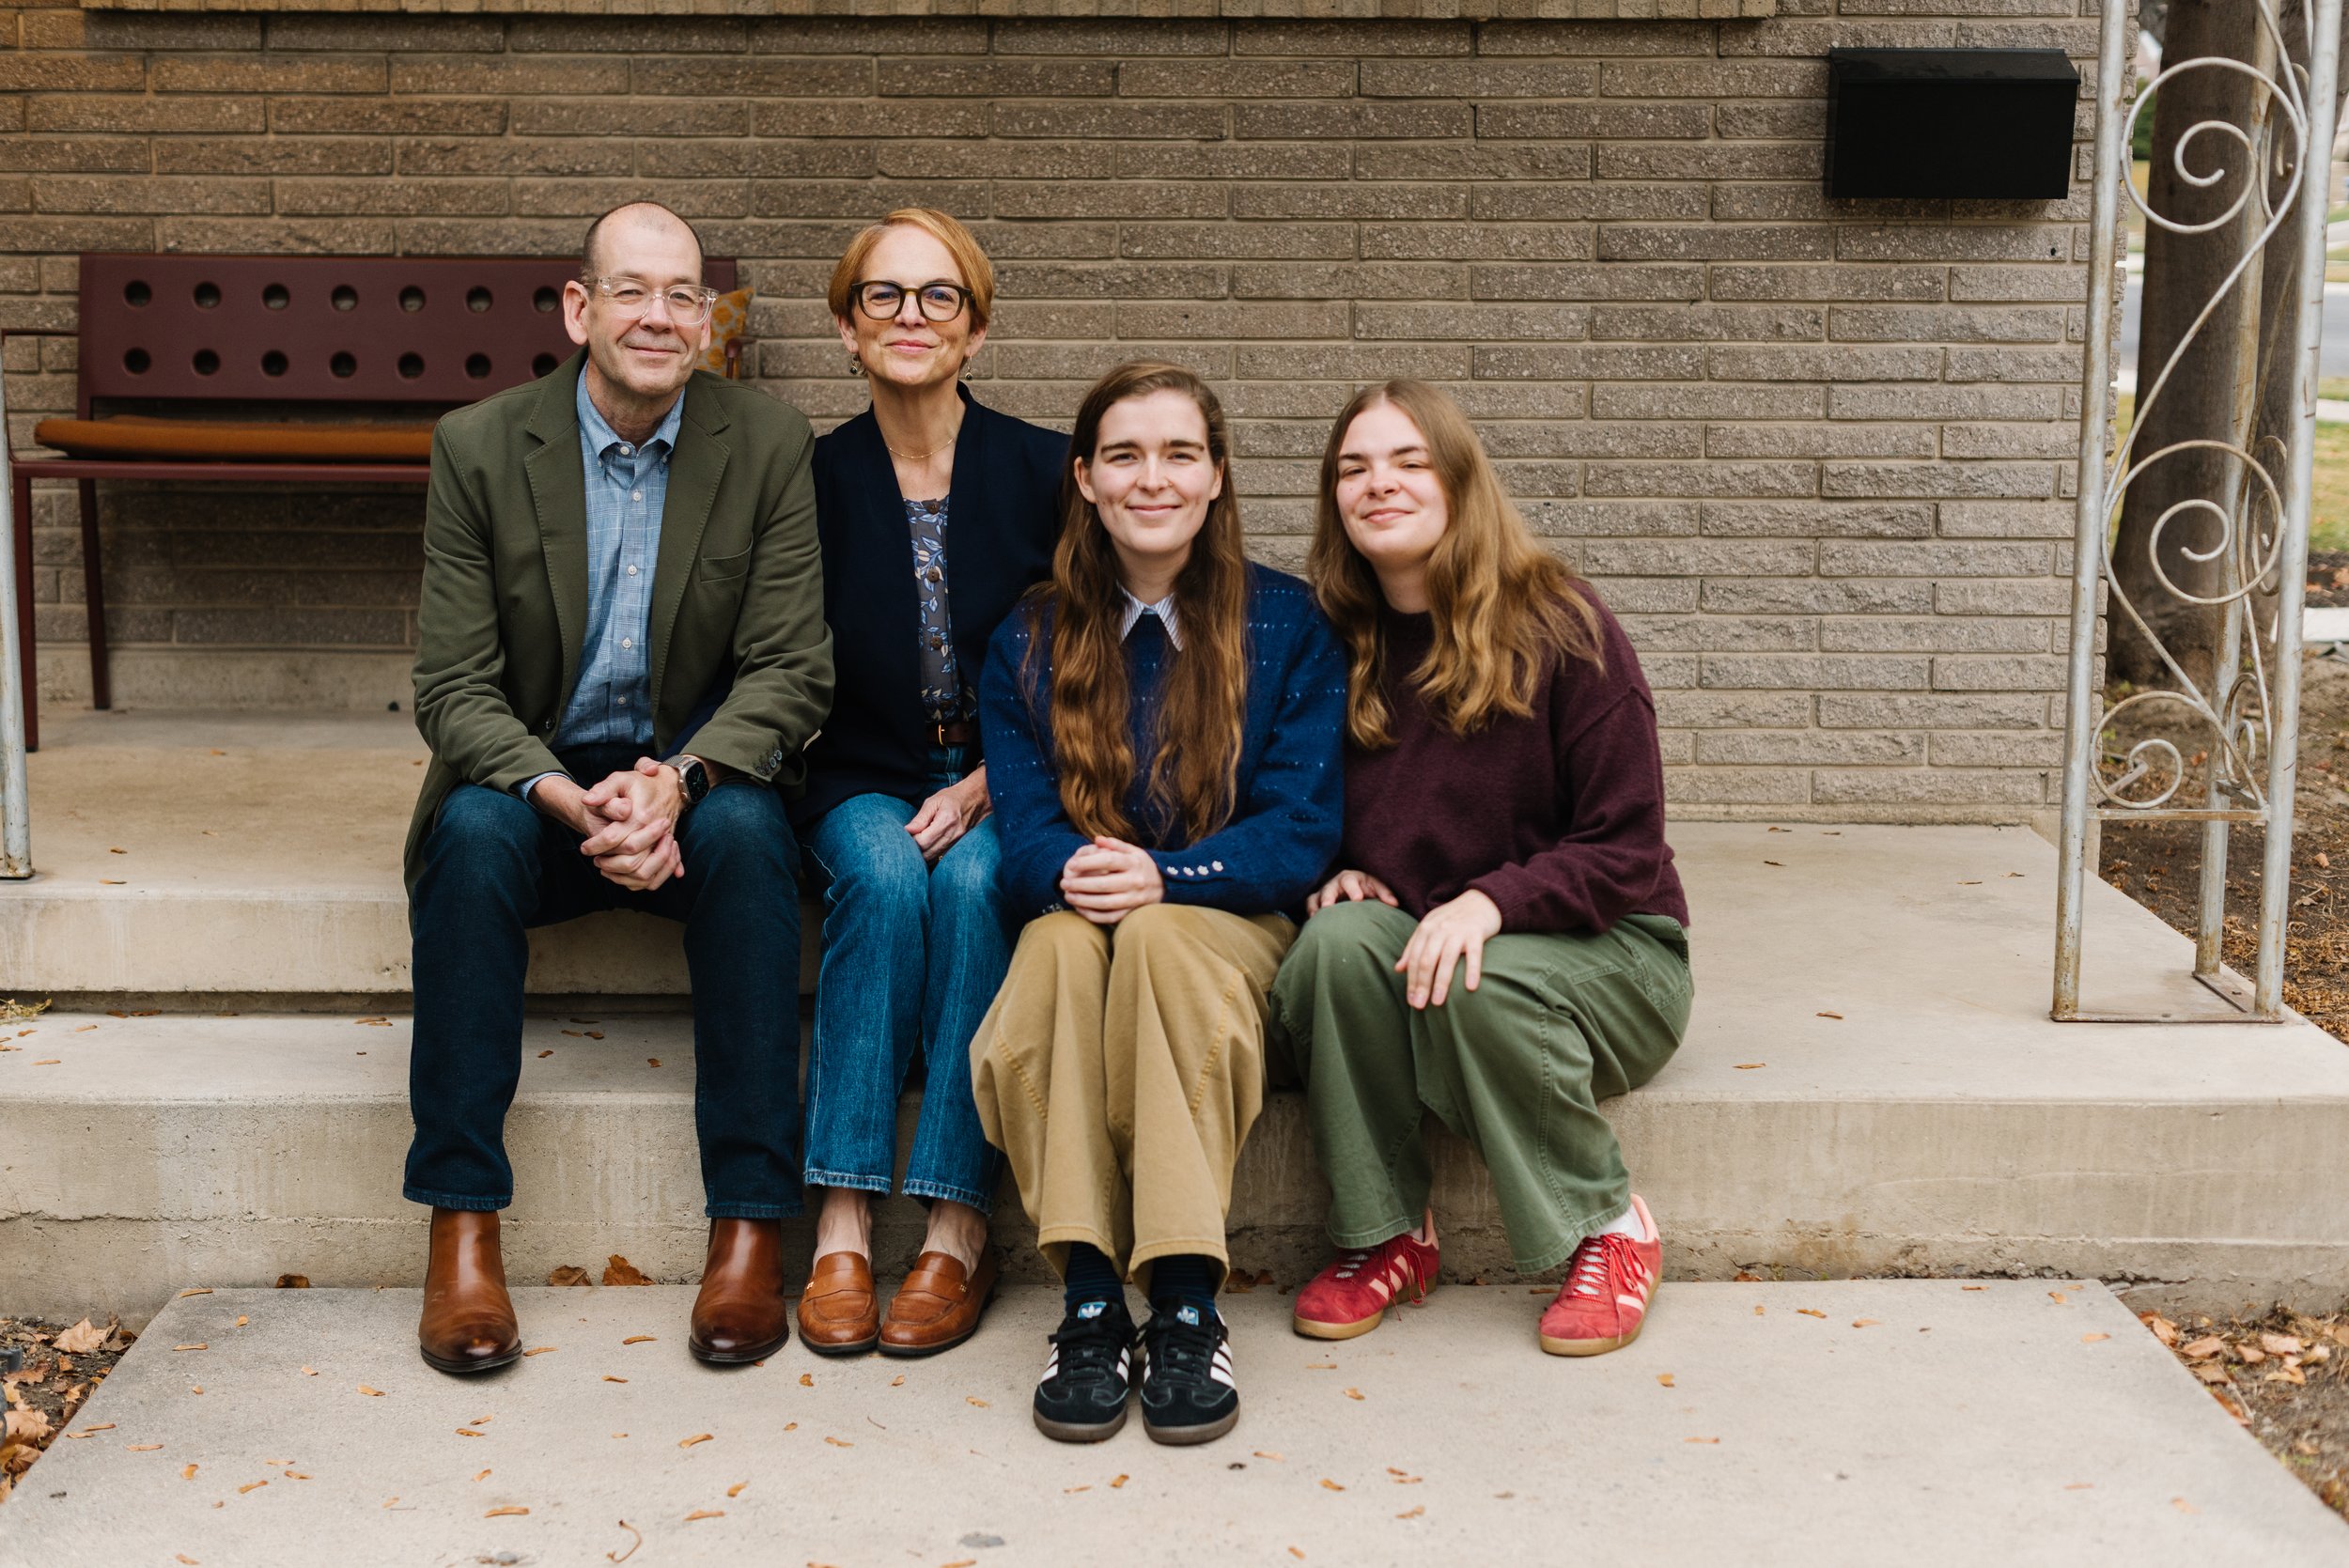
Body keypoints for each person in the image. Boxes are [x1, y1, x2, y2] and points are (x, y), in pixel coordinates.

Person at [403, 201, 832, 1374]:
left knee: (748, 833)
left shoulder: (768, 443)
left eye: (683, 294)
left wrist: (679, 781)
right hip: (537, 783)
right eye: (632, 291)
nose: (659, 315)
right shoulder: (480, 446)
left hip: (689, 784)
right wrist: (559, 791)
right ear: (579, 310)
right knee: (474, 834)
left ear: (710, 318)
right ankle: (462, 1228)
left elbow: (794, 668)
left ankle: (749, 1226)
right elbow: (451, 686)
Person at [1268, 380, 1692, 1358]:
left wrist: (1491, 901)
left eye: (1409, 461)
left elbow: (1625, 847)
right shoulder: (1329, 641)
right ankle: (1386, 1233)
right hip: (1428, 951)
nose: (1381, 484)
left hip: (1609, 956)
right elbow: (1284, 798)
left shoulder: (1562, 624)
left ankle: (1608, 1223)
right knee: (1333, 946)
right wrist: (1330, 870)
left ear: (1459, 479)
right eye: (1354, 468)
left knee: (1476, 973)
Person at [972, 362, 1346, 1446]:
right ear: (1084, 478)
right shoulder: (1029, 635)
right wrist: (1068, 872)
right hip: (1087, 920)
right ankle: (1089, 1297)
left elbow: (1300, 827)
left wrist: (1168, 879)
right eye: (1125, 455)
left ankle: (1184, 1297)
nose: (1153, 478)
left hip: (1226, 925)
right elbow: (1027, 817)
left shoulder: (1288, 624)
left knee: (1165, 945)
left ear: (1217, 476)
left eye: (1180, 454)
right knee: (1046, 955)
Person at [793, 210, 1063, 1358]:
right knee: (890, 876)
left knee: (974, 888)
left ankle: (956, 1223)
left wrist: (998, 783)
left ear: (978, 329)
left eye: (937, 296)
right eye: (884, 297)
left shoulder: (1048, 469)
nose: (911, 317)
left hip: (1016, 777)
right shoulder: (807, 479)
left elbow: (1087, 657)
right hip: (860, 770)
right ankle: (844, 1219)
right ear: (848, 330)